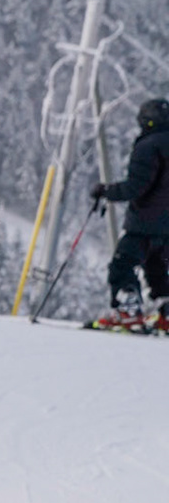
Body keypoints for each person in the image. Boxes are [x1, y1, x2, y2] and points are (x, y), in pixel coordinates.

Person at [89, 97, 169, 332]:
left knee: (123, 265)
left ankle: (129, 311)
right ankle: (166, 312)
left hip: (144, 223)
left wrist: (106, 191)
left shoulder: (148, 146)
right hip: (167, 228)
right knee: (157, 270)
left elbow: (136, 186)